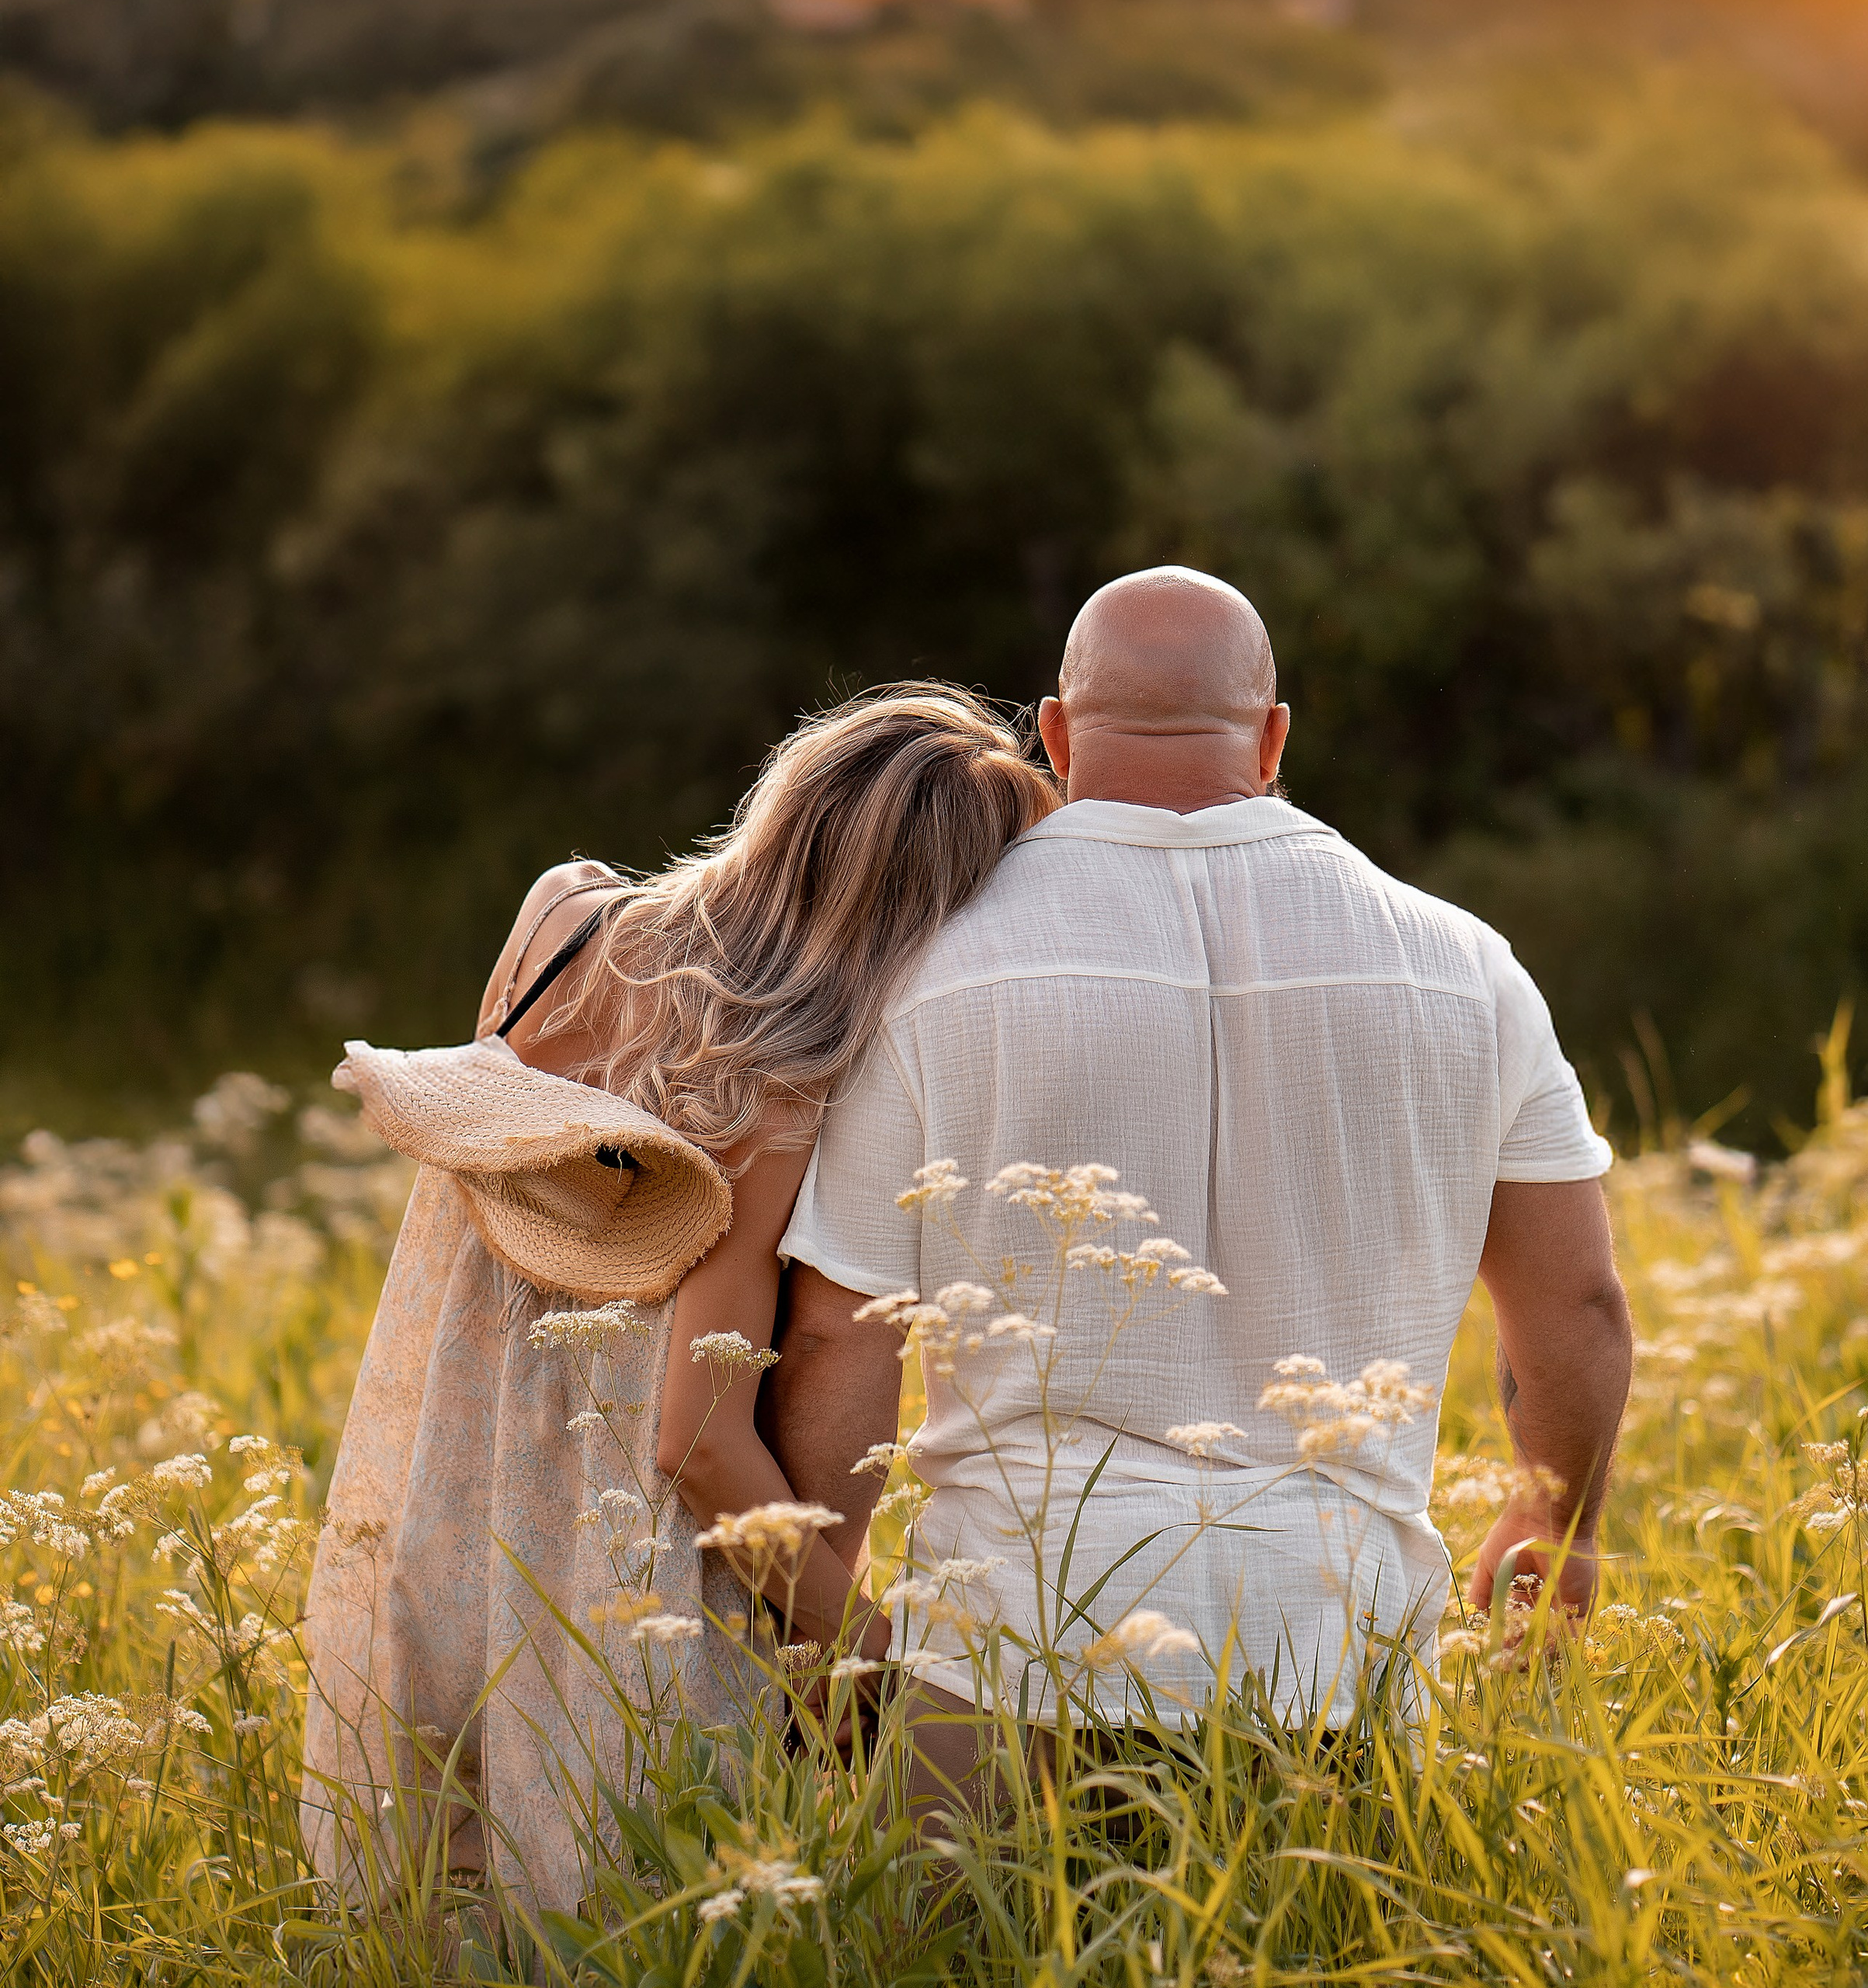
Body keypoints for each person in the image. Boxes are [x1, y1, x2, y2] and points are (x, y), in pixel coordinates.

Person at [763, 566, 1634, 1801]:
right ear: (1274, 738)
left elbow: (838, 1335)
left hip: (1010, 1663)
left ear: (1055, 737)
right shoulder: (1466, 969)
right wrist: (1563, 1523)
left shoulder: (930, 972)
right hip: (1339, 1665)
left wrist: (831, 1625)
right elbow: (1577, 1311)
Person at [302, 687, 1060, 1906]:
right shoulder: (779, 1084)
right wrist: (869, 1665)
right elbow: (695, 1439)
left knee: (440, 1878)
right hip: (623, 1540)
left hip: (454, 1467)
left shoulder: (556, 916)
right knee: (620, 1911)